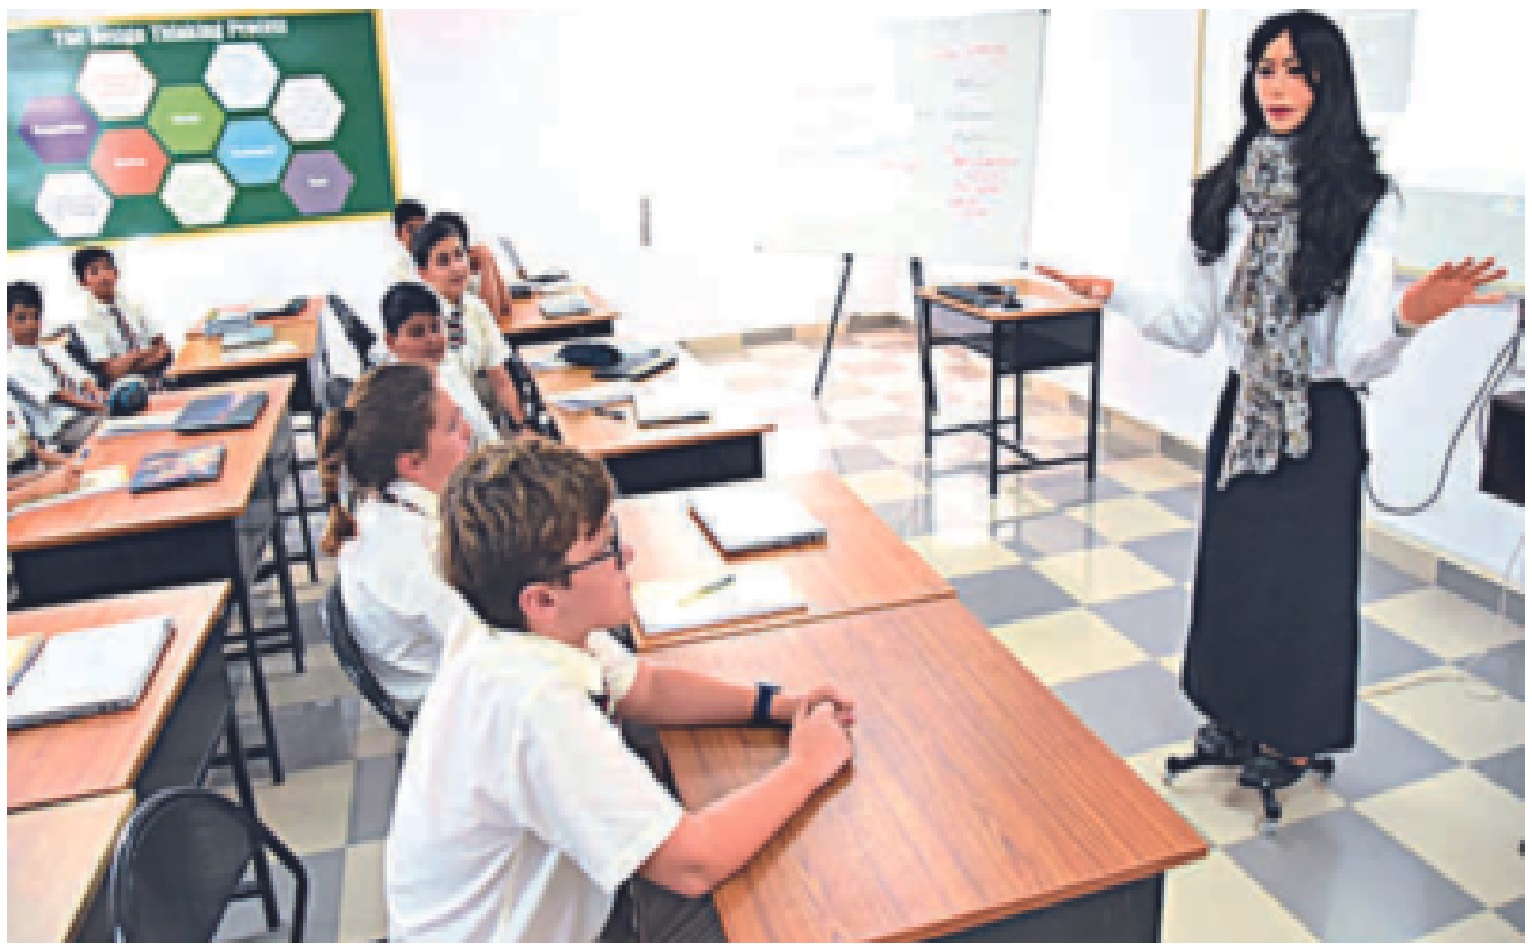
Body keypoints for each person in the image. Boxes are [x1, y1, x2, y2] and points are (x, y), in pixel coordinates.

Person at [1038, 10, 1507, 790]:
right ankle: (1233, 715)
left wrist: (1408, 317)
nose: (1278, 87)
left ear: (1330, 83)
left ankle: (1292, 738)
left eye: (1298, 71)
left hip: (1319, 418)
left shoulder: (1362, 197)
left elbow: (1355, 354)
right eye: (1266, 69)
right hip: (1245, 412)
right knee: (1236, 573)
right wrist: (1114, 292)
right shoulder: (1220, 193)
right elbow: (1194, 327)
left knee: (1304, 587)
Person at [386, 439, 856, 942]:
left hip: (553, 910)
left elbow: (645, 686)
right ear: (542, 600)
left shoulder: (514, 629)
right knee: (795, 909)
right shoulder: (532, 702)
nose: (626, 555)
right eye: (605, 550)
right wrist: (808, 763)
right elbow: (693, 864)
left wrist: (776, 705)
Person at [318, 362, 475, 711]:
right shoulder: (406, 554)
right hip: (457, 707)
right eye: (452, 427)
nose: (467, 431)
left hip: (458, 681)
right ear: (412, 464)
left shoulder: (386, 510)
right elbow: (487, 650)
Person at [410, 214, 528, 431]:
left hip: (479, 421)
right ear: (423, 273)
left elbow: (500, 379)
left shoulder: (475, 308)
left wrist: (523, 427)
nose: (456, 267)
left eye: (459, 255)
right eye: (443, 261)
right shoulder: (420, 325)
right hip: (443, 429)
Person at [379, 281, 502, 448]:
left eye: (436, 327)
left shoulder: (448, 366)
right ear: (391, 342)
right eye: (417, 332)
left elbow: (486, 431)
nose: (432, 339)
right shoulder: (398, 402)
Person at [8, 281, 106, 454]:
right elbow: (57, 396)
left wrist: (100, 395)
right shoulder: (11, 365)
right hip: (63, 431)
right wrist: (100, 407)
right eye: (21, 318)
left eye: (35, 317)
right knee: (113, 424)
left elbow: (84, 378)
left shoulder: (53, 350)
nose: (31, 325)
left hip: (89, 414)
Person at [63, 247, 172, 385]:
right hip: (121, 389)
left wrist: (129, 360)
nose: (104, 276)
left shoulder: (135, 304)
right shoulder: (84, 319)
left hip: (156, 380)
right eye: (95, 272)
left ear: (116, 272)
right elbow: (111, 371)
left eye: (107, 268)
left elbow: (165, 349)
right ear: (82, 283)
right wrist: (148, 354)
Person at [7, 389, 81, 511]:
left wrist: (72, 463)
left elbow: (35, 449)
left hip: (26, 476)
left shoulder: (8, 399)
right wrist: (39, 487)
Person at [434, 210, 515, 320]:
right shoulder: (446, 281)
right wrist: (486, 263)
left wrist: (489, 258)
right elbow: (491, 316)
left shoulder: (467, 273)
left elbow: (506, 307)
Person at [387, 198, 430, 284]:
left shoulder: (436, 262)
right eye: (411, 229)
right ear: (398, 234)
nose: (418, 235)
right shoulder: (392, 270)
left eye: (422, 229)